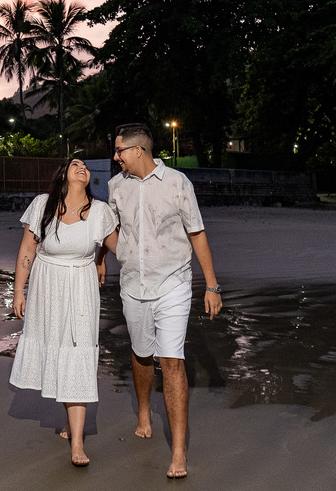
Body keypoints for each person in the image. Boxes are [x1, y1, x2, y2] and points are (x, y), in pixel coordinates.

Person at [107, 122, 222, 479]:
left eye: (119, 151)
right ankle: (144, 410)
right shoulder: (115, 187)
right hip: (132, 284)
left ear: (138, 151)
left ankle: (178, 451)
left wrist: (212, 286)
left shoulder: (177, 183)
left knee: (172, 361)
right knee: (142, 353)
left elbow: (196, 232)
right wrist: (107, 256)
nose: (116, 157)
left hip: (173, 283)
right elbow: (110, 229)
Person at [9, 158, 118, 467]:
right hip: (46, 286)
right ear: (63, 175)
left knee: (78, 352)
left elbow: (118, 244)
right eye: (74, 163)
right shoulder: (43, 204)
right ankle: (68, 420)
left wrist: (101, 258)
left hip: (81, 288)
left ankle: (78, 443)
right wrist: (19, 290)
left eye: (85, 165)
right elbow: (28, 249)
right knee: (56, 351)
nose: (81, 166)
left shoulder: (99, 212)